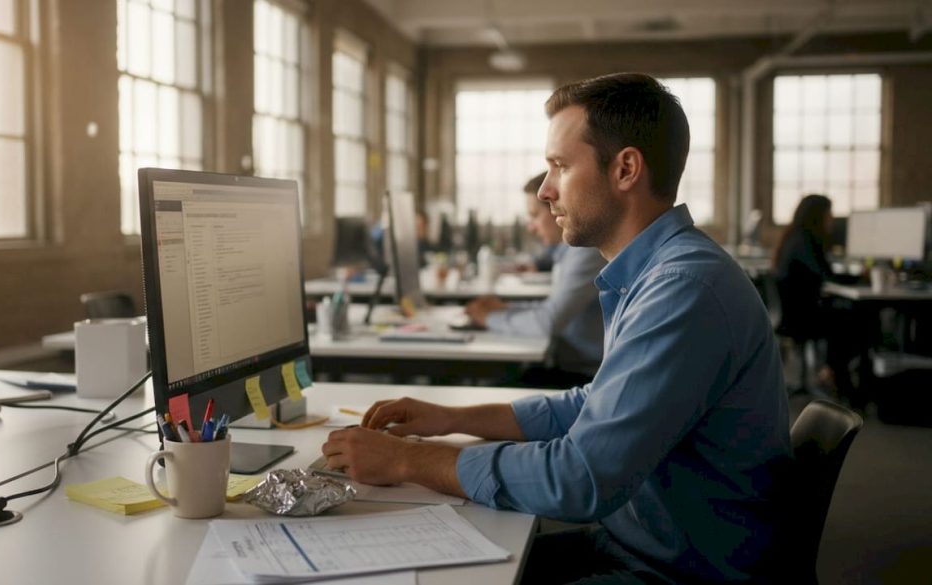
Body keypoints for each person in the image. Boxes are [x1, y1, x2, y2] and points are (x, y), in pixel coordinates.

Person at [322, 73, 790, 584]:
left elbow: (580, 478)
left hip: (676, 572)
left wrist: (409, 461)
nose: (545, 190)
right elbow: (592, 405)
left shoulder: (682, 288)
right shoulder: (657, 273)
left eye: (561, 167)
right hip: (639, 543)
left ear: (625, 169)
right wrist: (450, 417)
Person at [464, 171, 606, 387]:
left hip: (586, 376)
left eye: (534, 215)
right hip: (570, 363)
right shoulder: (570, 252)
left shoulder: (586, 252)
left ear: (557, 207)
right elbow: (551, 308)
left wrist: (489, 318)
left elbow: (548, 322)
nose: (531, 227)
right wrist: (504, 309)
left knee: (493, 385)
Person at [772, 194, 854, 396]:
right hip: (802, 318)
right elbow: (827, 276)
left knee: (842, 313)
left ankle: (828, 373)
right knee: (851, 319)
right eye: (829, 214)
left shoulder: (793, 237)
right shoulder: (805, 241)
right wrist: (860, 280)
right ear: (817, 216)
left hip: (791, 315)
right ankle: (837, 378)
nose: (832, 219)